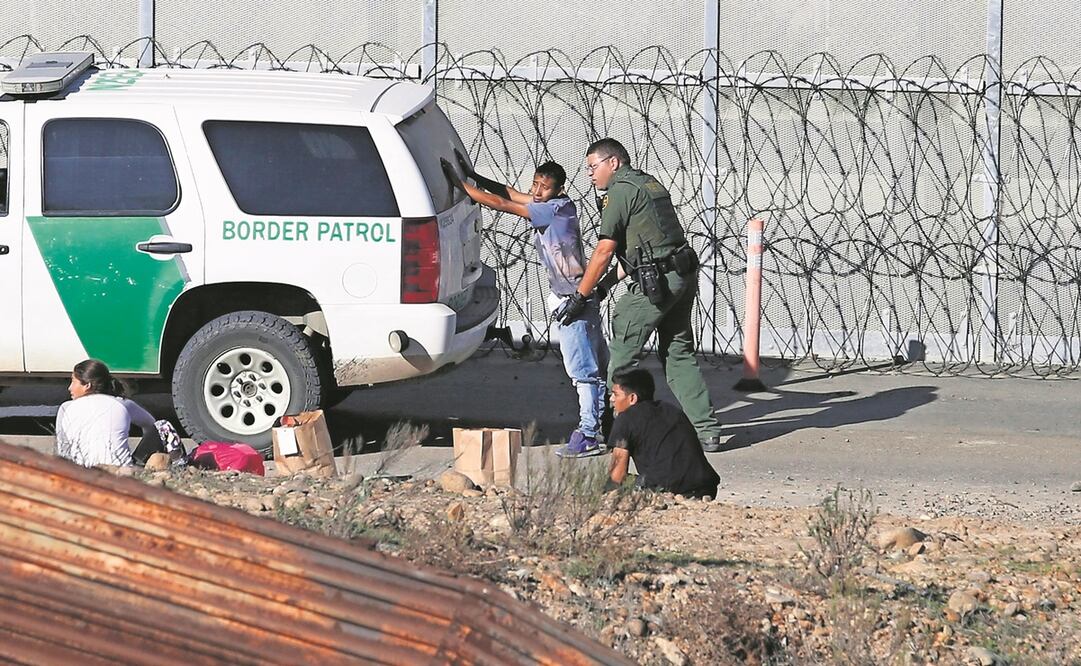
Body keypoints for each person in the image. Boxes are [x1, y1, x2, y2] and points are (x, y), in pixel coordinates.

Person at [556, 137, 724, 452]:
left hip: (657, 283)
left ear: (613, 163)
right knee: (677, 353)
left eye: (593, 167)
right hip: (679, 274)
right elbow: (640, 252)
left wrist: (581, 295)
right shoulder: (649, 183)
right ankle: (707, 430)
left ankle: (605, 431)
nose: (590, 175)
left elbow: (605, 250)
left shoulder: (620, 191)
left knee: (620, 357)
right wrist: (605, 284)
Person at [442, 154, 609, 456]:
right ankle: (601, 422)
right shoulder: (556, 204)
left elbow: (504, 204)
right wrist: (475, 176)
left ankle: (589, 433)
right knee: (593, 367)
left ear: (558, 190)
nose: (536, 191)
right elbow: (510, 193)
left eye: (544, 187)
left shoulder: (552, 210)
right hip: (578, 294)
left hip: (574, 299)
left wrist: (461, 187)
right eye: (535, 184)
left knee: (583, 371)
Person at [606, 368, 719, 498]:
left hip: (669, 490)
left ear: (632, 398)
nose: (611, 399)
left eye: (616, 394)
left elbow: (617, 476)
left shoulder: (625, 419)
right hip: (706, 485)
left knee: (614, 484)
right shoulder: (672, 410)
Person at [55, 359, 163, 467]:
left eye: (73, 382)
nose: (69, 388)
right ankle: (178, 464)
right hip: (121, 471)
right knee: (163, 426)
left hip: (82, 471)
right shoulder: (123, 403)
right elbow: (153, 425)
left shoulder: (66, 407)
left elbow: (64, 450)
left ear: (87, 385)